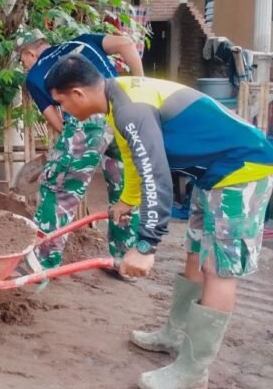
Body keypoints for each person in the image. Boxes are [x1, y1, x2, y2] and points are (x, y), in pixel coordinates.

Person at [44, 54, 273, 389]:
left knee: (218, 268)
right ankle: (175, 334)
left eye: (61, 102)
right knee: (195, 251)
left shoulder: (130, 109)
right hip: (213, 174)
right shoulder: (116, 97)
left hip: (241, 171)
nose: (62, 111)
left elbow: (156, 175)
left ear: (78, 93)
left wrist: (145, 244)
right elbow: (133, 158)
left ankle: (193, 372)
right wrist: (128, 200)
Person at [15, 28, 144, 271]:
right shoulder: (82, 41)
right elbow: (126, 43)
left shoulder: (35, 76)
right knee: (124, 188)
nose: (24, 64)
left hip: (88, 121)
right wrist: (140, 83)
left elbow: (58, 122)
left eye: (23, 59)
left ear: (31, 53)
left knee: (59, 187)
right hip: (124, 110)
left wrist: (70, 147)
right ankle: (126, 261)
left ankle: (41, 262)